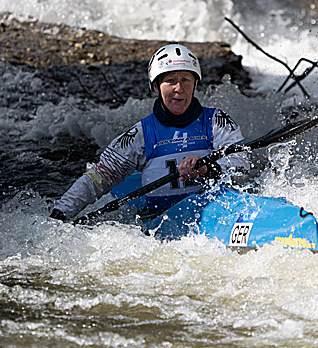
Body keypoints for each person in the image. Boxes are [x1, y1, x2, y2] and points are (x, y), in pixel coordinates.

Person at [50, 43, 249, 222]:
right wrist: (60, 214)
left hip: (217, 214)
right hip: (161, 221)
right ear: (156, 86)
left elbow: (242, 165)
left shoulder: (216, 121)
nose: (179, 88)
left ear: (195, 84)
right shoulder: (141, 134)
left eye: (186, 80)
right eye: (170, 80)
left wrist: (208, 169)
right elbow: (99, 177)